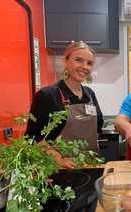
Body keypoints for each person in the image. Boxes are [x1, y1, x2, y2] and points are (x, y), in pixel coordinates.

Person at [25, 41, 103, 169]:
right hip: (58, 171)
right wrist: (58, 159)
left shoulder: (90, 94)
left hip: (89, 166)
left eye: (89, 63)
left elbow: (97, 129)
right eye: (79, 60)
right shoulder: (47, 95)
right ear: (65, 61)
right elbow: (32, 137)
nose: (85, 66)